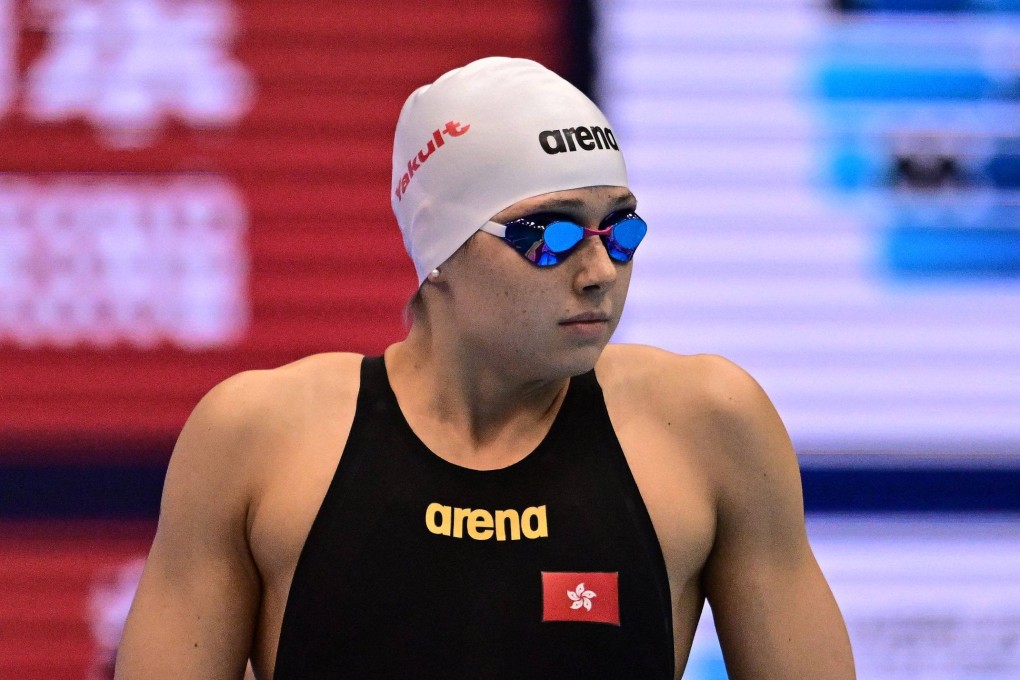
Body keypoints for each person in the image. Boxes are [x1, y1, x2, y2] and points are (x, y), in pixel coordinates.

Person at [115, 57, 855, 679]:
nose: (600, 270)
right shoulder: (258, 441)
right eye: (551, 235)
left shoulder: (707, 427)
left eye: (620, 229)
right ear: (439, 247)